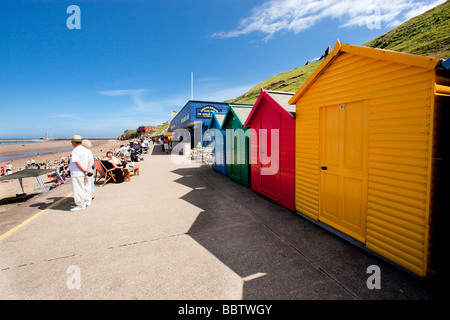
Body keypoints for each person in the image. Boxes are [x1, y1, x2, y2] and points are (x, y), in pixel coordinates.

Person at [69, 135, 94, 212]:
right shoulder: (87, 150)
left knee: (78, 188)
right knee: (87, 187)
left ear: (73, 142)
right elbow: (91, 160)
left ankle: (80, 204)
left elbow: (77, 162)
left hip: (78, 173)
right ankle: (87, 201)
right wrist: (88, 169)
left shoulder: (75, 151)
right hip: (87, 171)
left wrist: (84, 171)